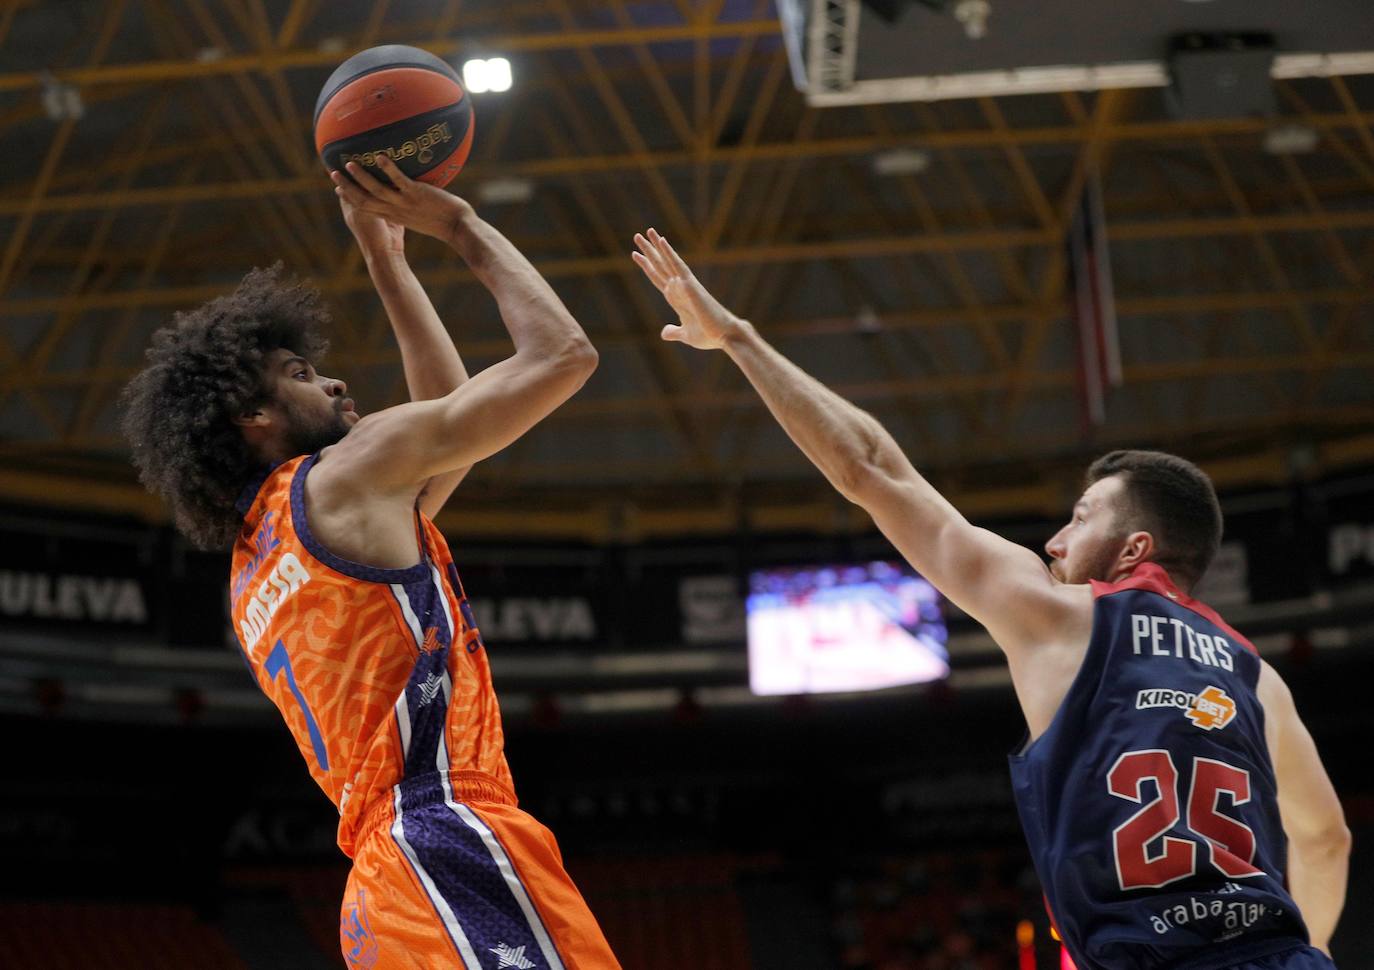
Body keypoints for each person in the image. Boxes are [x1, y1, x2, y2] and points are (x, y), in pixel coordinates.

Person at [631, 228, 1350, 969]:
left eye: (1079, 518)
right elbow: (1327, 840)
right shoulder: (1257, 678)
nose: (1055, 545)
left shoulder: (1062, 617)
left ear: (1135, 548)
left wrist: (740, 339)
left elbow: (873, 468)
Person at [121, 154, 620, 970]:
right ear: (254, 413)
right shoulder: (344, 478)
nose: (336, 380)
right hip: (449, 832)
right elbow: (563, 356)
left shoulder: (260, 562)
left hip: (384, 884)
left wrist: (386, 258)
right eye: (301, 375)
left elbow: (440, 409)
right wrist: (457, 226)